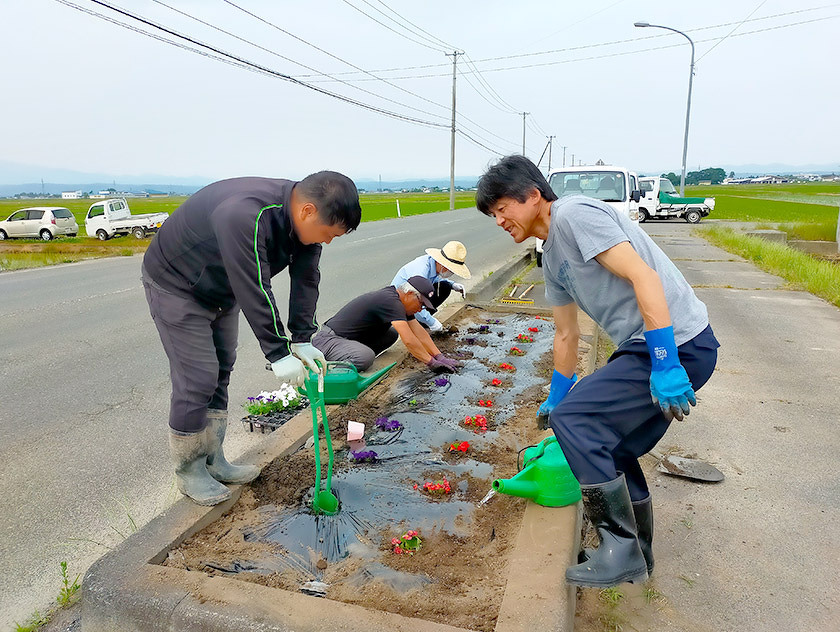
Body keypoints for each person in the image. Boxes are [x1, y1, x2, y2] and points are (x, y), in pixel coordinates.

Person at [476, 155, 719, 588]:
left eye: (502, 209)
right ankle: (636, 555)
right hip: (646, 348)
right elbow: (566, 334)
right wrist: (557, 393)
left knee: (579, 421)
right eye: (493, 215)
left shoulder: (574, 215)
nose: (499, 220)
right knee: (616, 447)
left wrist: (665, 363)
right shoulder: (550, 257)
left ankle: (620, 549)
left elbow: (644, 276)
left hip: (675, 343)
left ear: (533, 196)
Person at [142, 173, 361, 506]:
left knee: (221, 368)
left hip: (221, 286)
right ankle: (189, 470)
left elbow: (306, 279)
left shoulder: (303, 223)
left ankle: (214, 459)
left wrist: (302, 339)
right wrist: (277, 351)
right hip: (177, 284)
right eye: (328, 234)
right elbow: (255, 284)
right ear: (307, 212)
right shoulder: (245, 213)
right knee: (198, 376)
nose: (327, 241)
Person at [312, 276, 460, 373]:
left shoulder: (400, 302)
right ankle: (325, 370)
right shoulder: (390, 301)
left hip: (347, 340)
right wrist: (431, 363)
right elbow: (408, 340)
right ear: (409, 294)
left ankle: (353, 357)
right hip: (328, 340)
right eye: (421, 303)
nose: (421, 308)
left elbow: (418, 332)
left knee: (391, 334)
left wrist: (439, 356)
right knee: (364, 357)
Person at [391, 241, 471, 332]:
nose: (451, 273)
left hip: (414, 298)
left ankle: (422, 321)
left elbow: (434, 279)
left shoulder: (432, 264)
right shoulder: (421, 271)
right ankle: (420, 321)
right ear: (443, 265)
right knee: (421, 316)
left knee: (445, 286)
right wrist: (432, 322)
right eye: (451, 270)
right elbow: (414, 300)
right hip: (401, 302)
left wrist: (452, 284)